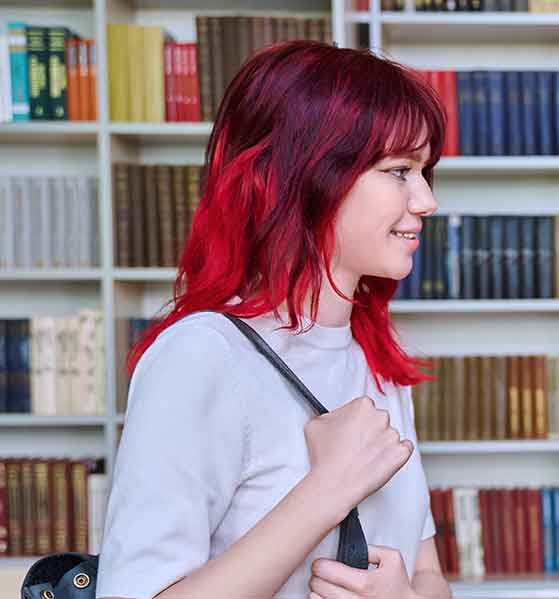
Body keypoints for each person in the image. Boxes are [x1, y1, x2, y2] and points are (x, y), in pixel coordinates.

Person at [97, 41, 451, 599]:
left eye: (424, 171)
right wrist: (326, 490)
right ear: (309, 180)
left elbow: (427, 572)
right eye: (399, 171)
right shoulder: (201, 357)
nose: (427, 200)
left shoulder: (372, 359)